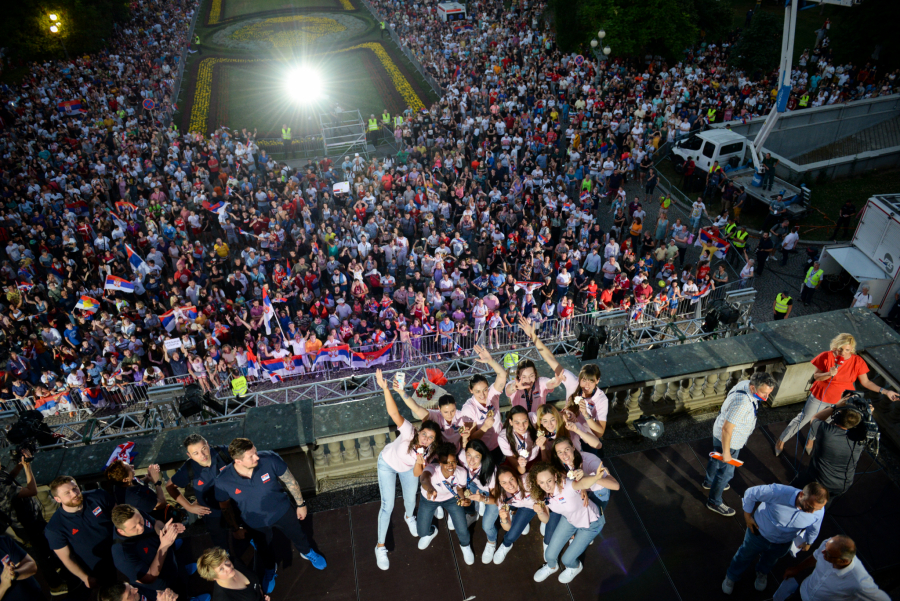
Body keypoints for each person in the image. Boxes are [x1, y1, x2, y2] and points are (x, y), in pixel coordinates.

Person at [213, 438, 327, 581]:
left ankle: (307, 552)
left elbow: (290, 481)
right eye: (251, 456)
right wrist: (235, 528)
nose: (257, 457)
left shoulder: (270, 459)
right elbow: (225, 506)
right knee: (263, 548)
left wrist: (301, 504)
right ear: (238, 461)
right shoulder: (223, 480)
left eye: (255, 451)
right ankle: (270, 568)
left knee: (298, 534)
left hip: (283, 511)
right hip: (255, 522)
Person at [775, 333, 899, 455]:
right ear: (835, 346)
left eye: (847, 350)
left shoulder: (857, 361)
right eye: (840, 349)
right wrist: (828, 374)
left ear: (852, 349)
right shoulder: (825, 356)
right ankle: (781, 440)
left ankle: (810, 440)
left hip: (840, 400)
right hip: (820, 396)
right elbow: (816, 376)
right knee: (803, 419)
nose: (843, 353)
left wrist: (886, 391)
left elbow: (866, 382)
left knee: (824, 422)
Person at [371, 369, 441, 570]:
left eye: (430, 437)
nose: (425, 439)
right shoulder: (410, 430)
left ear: (433, 441)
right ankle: (380, 546)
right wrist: (386, 389)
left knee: (411, 499)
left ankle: (409, 517)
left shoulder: (429, 451)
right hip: (387, 464)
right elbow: (394, 413)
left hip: (409, 469)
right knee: (388, 505)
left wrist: (420, 458)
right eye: (424, 434)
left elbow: (418, 474)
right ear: (419, 431)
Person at [721, 482, 828, 595]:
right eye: (810, 507)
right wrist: (747, 517)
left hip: (783, 543)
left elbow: (814, 527)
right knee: (744, 556)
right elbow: (750, 493)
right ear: (801, 495)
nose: (812, 512)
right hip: (758, 534)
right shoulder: (778, 492)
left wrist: (808, 542)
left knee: (770, 560)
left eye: (817, 509)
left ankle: (762, 573)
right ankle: (732, 576)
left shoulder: (818, 510)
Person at [528, 462, 619, 584]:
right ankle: (552, 567)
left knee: (567, 560)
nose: (547, 486)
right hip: (569, 519)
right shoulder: (542, 495)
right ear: (537, 482)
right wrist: (540, 512)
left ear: (555, 477)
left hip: (591, 523)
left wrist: (596, 478)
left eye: (549, 480)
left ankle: (575, 568)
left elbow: (581, 483)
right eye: (542, 482)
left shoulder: (566, 485)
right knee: (549, 554)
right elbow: (546, 519)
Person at [703, 371, 778, 517]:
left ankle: (708, 481)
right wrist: (727, 452)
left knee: (715, 459)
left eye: (768, 393)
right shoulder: (743, 403)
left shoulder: (744, 384)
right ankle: (714, 502)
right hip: (731, 441)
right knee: (726, 473)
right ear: (752, 388)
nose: (766, 397)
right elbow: (727, 429)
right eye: (763, 393)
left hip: (719, 432)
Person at [166, 435, 238, 555]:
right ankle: (227, 559)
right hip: (212, 513)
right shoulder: (189, 468)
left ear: (208, 444)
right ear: (189, 455)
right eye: (196, 453)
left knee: (244, 534)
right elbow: (170, 486)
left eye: (204, 448)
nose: (202, 455)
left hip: (236, 506)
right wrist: (189, 507)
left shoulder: (223, 453)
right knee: (221, 545)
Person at [45, 476, 117, 594]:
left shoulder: (98, 496)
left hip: (121, 552)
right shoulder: (55, 528)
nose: (74, 494)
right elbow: (66, 558)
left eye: (75, 488)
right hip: (98, 568)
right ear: (57, 499)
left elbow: (119, 517)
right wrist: (85, 577)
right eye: (67, 492)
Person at [789, 399, 867, 508]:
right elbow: (867, 427)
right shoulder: (861, 439)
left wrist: (835, 406)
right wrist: (868, 413)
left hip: (818, 479)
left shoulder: (827, 432)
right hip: (842, 485)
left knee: (792, 490)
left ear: (837, 417)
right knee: (821, 504)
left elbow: (815, 418)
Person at [109, 505, 188, 600]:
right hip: (163, 583)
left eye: (140, 521)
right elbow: (149, 577)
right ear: (121, 531)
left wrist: (164, 530)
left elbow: (155, 523)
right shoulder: (122, 555)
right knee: (177, 595)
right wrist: (164, 546)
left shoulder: (136, 514)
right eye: (134, 527)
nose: (141, 527)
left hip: (169, 560)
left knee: (180, 577)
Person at [415, 443, 477, 565]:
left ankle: (465, 546)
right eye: (446, 462)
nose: (450, 466)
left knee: (463, 530)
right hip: (431, 499)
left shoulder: (461, 472)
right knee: (421, 532)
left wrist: (462, 498)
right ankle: (432, 531)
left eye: (453, 462)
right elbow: (424, 478)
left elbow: (459, 488)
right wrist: (430, 488)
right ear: (440, 462)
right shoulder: (432, 469)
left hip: (451, 498)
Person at [780, 535, 890, 601]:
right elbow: (815, 557)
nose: (823, 552)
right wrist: (797, 569)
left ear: (843, 561)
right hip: (803, 591)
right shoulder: (829, 545)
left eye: (828, 554)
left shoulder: (859, 581)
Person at [458, 349, 508, 463]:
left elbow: (502, 375)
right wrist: (485, 427)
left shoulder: (492, 395)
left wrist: (490, 361)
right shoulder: (468, 408)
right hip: (483, 451)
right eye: (478, 391)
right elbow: (471, 438)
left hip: (498, 445)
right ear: (471, 390)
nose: (482, 394)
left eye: (485, 390)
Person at [492, 466, 536, 564]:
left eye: (511, 479)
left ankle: (523, 520)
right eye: (504, 483)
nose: (510, 485)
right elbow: (507, 528)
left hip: (537, 505)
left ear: (516, 477)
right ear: (500, 484)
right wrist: (503, 519)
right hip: (521, 507)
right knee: (511, 535)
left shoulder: (528, 480)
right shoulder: (501, 496)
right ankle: (506, 545)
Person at [197, 547, 270, 601]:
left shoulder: (235, 562)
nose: (228, 568)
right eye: (221, 569)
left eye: (225, 561)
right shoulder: (223, 598)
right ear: (214, 577)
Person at [0, 533, 40, 601]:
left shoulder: (3, 541)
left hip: (35, 595)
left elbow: (32, 565)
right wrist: (3, 586)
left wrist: (15, 574)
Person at [99, 584, 179, 601]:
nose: (136, 589)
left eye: (130, 586)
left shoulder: (137, 585)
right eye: (130, 594)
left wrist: (165, 592)